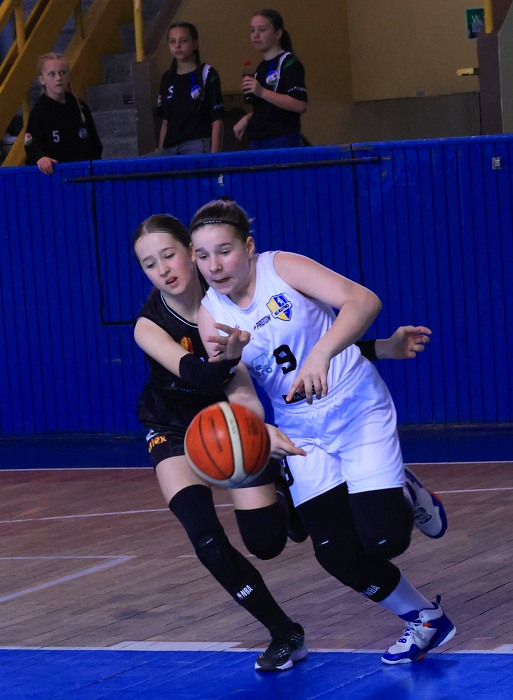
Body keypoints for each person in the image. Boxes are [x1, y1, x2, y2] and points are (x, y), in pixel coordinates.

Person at [190, 198, 456, 667]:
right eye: (203, 255)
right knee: (335, 553)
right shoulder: (210, 313)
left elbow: (364, 301)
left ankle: (405, 491)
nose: (214, 265)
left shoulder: (282, 267)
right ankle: (425, 618)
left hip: (355, 405)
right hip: (301, 429)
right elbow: (241, 388)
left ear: (248, 247)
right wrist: (260, 428)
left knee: (385, 540)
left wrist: (323, 353)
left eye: (224, 251)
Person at [234, 9, 307, 149]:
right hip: (258, 139)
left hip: (281, 140)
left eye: (262, 30)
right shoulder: (261, 67)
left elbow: (300, 105)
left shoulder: (289, 63)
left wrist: (262, 92)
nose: (255, 35)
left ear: (278, 33)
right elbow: (269, 108)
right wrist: (248, 118)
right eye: (252, 30)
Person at [24, 53, 103, 175]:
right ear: (42, 79)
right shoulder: (39, 112)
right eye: (52, 74)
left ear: (68, 76)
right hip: (55, 177)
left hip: (84, 175)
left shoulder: (80, 106)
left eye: (62, 73)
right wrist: (40, 157)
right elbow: (31, 146)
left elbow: (95, 145)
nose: (58, 78)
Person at [155, 22, 224, 155]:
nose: (177, 45)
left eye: (184, 40)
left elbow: (217, 119)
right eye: (172, 41)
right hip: (170, 147)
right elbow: (165, 121)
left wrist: (214, 158)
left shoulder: (207, 73)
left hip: (197, 144)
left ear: (195, 44)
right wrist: (161, 154)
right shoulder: (167, 78)